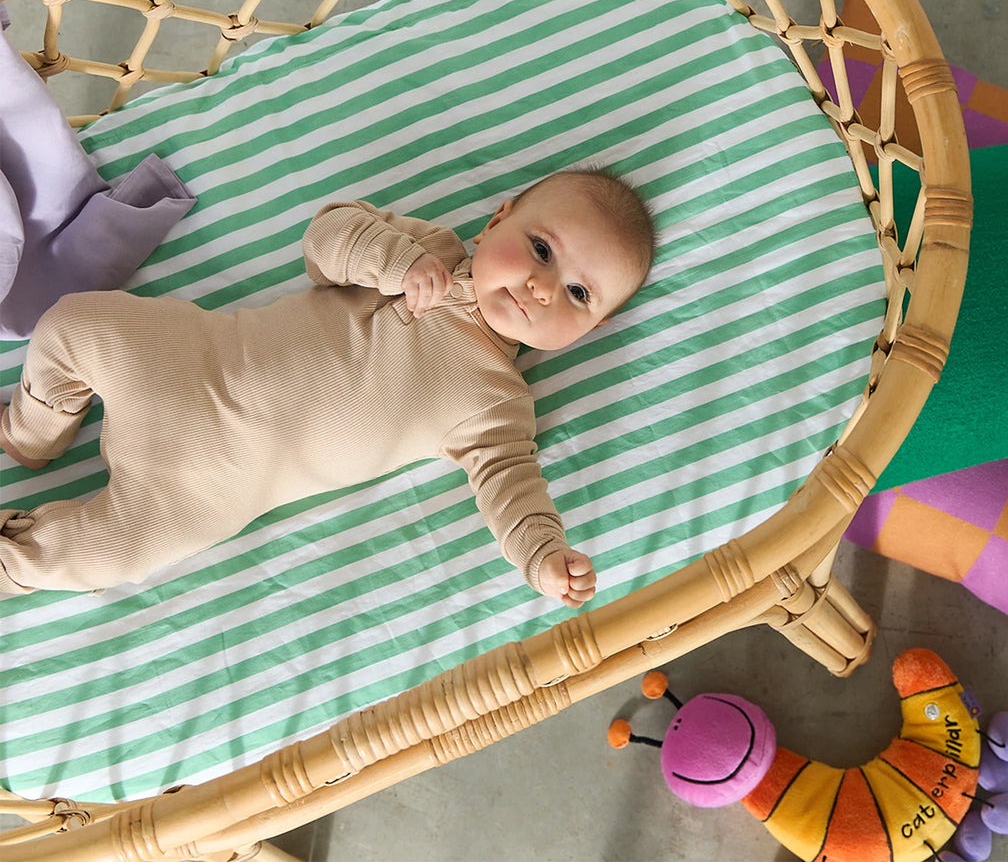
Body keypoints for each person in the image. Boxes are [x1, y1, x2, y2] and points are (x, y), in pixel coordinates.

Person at [0, 169, 655, 607]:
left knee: (107, 555)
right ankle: (32, 434)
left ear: (589, 328)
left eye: (576, 293)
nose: (543, 287)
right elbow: (325, 238)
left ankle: (12, 557)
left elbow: (513, 491)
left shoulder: (498, 405)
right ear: (497, 220)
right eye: (541, 249)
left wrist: (542, 554)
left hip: (213, 488)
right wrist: (398, 264)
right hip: (194, 361)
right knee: (75, 322)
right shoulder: (428, 253)